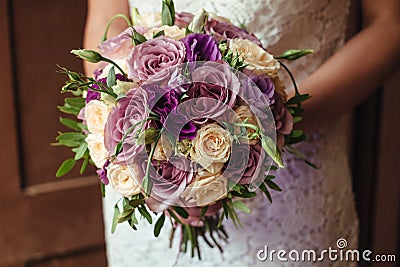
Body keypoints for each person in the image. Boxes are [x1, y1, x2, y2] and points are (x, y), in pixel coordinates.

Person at [84, 0, 400, 266]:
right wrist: (142, 140)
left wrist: (267, 126)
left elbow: (389, 26)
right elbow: (105, 24)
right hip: (146, 190)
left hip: (293, 200)